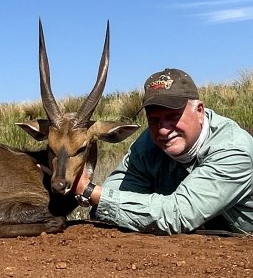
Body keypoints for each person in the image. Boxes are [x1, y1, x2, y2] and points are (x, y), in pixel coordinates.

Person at [73, 68, 253, 235]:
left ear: (199, 111)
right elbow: (110, 199)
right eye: (154, 120)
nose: (163, 130)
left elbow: (179, 214)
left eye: (172, 116)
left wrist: (90, 192)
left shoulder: (233, 149)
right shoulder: (148, 144)